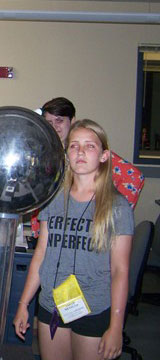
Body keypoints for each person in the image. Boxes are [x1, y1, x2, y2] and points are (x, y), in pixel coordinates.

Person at [13, 119, 134, 360]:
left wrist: (116, 327)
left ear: (103, 155)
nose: (80, 151)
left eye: (89, 146)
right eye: (74, 146)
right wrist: (23, 304)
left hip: (93, 307)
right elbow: (41, 255)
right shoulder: (52, 198)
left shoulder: (116, 206)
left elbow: (120, 270)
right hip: (51, 304)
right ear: (66, 153)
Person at [30, 97, 144, 238]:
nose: (54, 127)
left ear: (72, 121)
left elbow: (133, 176)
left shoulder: (86, 152)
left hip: (84, 234)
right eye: (49, 122)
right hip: (55, 232)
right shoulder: (48, 151)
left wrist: (111, 214)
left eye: (59, 120)